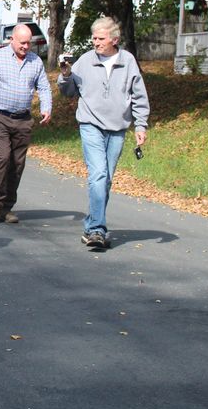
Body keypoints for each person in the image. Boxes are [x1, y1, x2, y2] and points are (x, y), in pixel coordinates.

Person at [57, 16, 151, 250]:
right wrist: (66, 75)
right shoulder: (85, 61)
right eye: (94, 38)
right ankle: (97, 230)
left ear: (114, 40)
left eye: (100, 38)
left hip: (118, 128)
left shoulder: (128, 61)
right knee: (98, 175)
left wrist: (140, 125)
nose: (95, 42)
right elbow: (68, 92)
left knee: (106, 179)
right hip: (90, 124)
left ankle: (92, 224)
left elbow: (139, 95)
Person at [0, 23, 52, 226]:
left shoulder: (35, 62)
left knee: (17, 163)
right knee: (2, 158)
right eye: (22, 42)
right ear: (12, 40)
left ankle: (7, 207)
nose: (26, 46)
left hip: (23, 119)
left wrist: (46, 106)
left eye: (29, 43)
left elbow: (44, 87)